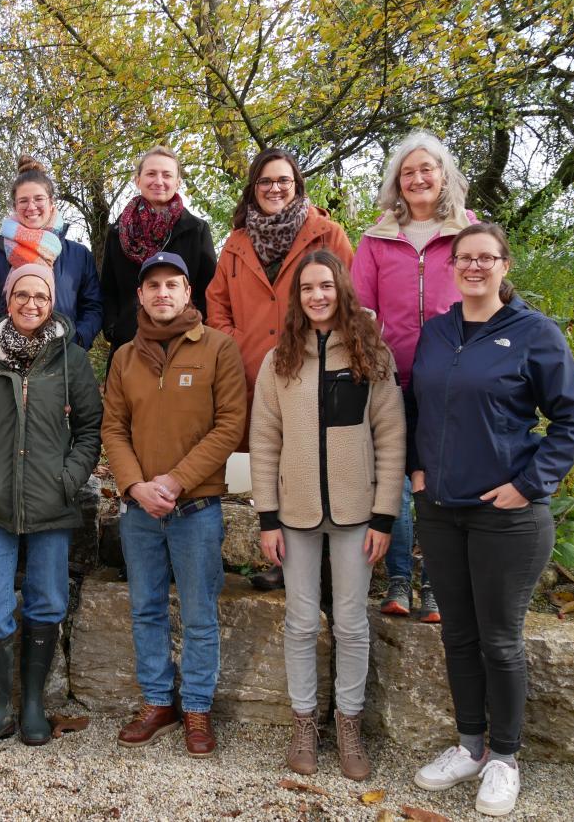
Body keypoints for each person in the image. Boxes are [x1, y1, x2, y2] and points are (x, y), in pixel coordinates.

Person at [408, 223, 574, 817]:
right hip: (439, 512)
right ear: (451, 266)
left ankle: (505, 759)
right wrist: (415, 469)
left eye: (487, 258)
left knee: (500, 640)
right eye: (465, 258)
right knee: (456, 634)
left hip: (505, 518)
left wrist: (529, 485)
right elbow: (417, 406)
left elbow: (573, 419)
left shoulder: (534, 333)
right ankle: (469, 746)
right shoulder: (436, 332)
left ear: (505, 265)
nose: (475, 267)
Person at [249, 250, 405, 781]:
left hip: (357, 512)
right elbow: (265, 441)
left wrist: (384, 516)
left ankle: (349, 724)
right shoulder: (280, 360)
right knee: (298, 621)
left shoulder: (370, 352)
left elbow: (389, 436)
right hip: (294, 513)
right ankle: (303, 723)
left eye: (326, 286)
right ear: (297, 298)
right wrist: (267, 516)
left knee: (353, 622)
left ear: (341, 289)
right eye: (307, 288)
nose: (317, 296)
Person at [0, 263, 102, 753]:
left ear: (52, 301)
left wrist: (69, 478)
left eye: (40, 295)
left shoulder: (72, 358)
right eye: (21, 295)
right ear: (6, 299)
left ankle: (32, 704)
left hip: (52, 503)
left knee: (47, 602)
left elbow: (91, 430)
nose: (30, 304)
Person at [101, 252, 246, 758]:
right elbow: (113, 428)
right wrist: (136, 485)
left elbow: (230, 425)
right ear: (139, 295)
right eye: (153, 285)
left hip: (197, 510)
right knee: (146, 609)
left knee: (201, 613)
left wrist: (176, 481)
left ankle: (198, 708)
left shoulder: (218, 349)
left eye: (173, 284)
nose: (163, 293)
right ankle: (158, 701)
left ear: (189, 292)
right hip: (140, 510)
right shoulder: (124, 357)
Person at [354, 131, 477, 623]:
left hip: (455, 377)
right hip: (393, 378)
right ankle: (400, 579)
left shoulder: (469, 232)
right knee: (398, 480)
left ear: (443, 174)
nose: (418, 178)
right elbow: (361, 310)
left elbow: (488, 298)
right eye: (408, 172)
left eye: (427, 169)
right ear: (396, 182)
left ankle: (439, 584)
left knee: (442, 480)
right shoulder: (376, 238)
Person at [206, 148, 354, 447]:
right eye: (265, 181)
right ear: (254, 188)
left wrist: (323, 345)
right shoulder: (236, 243)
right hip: (252, 374)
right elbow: (217, 303)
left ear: (297, 185)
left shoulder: (328, 235)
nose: (275, 188)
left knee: (311, 463)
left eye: (283, 180)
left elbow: (351, 299)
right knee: (260, 467)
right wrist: (237, 344)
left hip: (314, 369)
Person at [0, 155, 103, 350]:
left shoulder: (79, 255)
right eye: (23, 201)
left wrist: (77, 340)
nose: (31, 207)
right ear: (15, 206)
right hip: (5, 357)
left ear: (51, 204)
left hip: (63, 356)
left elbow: (93, 306)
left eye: (39, 199)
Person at [100, 146, 216, 365]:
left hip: (185, 344)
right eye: (151, 174)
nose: (158, 181)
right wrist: (114, 328)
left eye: (167, 175)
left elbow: (209, 289)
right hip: (129, 344)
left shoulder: (196, 230)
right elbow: (108, 290)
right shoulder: (118, 233)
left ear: (178, 182)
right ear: (138, 180)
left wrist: (198, 330)